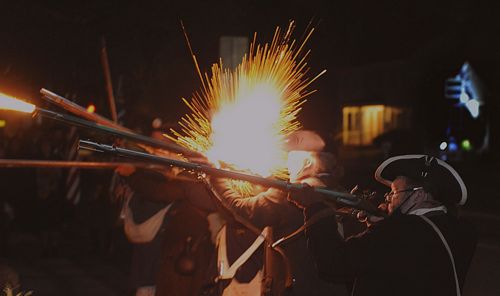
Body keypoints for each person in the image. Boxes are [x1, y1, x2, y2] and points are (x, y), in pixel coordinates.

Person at [290, 154, 477, 296]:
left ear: (419, 195)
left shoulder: (397, 231)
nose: (388, 199)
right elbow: (401, 260)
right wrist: (381, 226)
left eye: (395, 192)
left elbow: (333, 264)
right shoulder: (461, 232)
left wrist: (314, 207)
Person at [205, 130, 347, 296]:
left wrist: (215, 176)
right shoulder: (337, 192)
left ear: (307, 163)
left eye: (292, 156)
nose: (287, 163)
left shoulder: (288, 195)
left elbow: (242, 209)